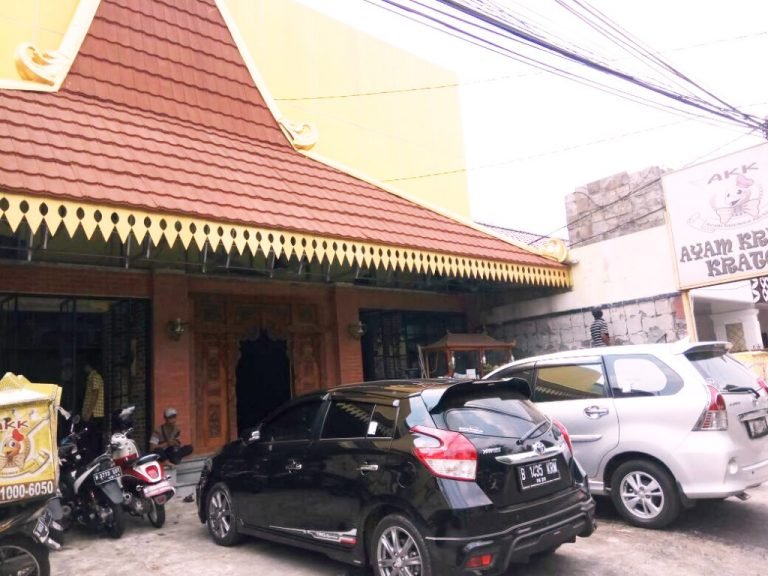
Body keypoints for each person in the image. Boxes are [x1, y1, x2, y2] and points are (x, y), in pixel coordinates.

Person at [81, 359, 105, 456]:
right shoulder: (93, 377)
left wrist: (88, 412)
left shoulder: (94, 377)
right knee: (92, 438)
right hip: (94, 413)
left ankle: (93, 458)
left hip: (94, 414)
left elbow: (95, 395)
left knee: (92, 439)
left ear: (88, 366)